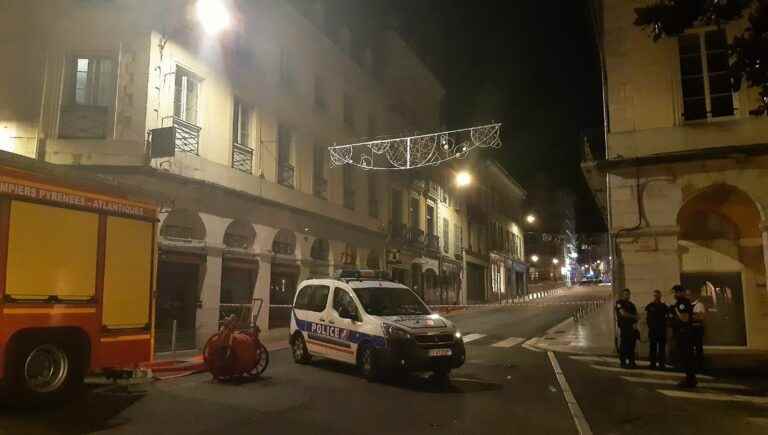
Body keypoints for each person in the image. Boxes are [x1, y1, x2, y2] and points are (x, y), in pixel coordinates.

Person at [670, 285, 696, 388]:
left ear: (680, 292)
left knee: (686, 357)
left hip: (684, 333)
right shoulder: (681, 303)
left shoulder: (682, 303)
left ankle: (690, 380)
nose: (674, 295)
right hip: (682, 333)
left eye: (675, 293)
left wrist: (675, 310)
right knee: (685, 356)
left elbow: (685, 319)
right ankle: (690, 378)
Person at [645, 290, 668, 370]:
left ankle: (661, 364)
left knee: (662, 349)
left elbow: (667, 316)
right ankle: (653, 364)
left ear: (660, 296)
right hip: (653, 330)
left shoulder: (664, 306)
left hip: (661, 330)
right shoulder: (650, 306)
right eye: (655, 295)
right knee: (653, 348)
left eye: (657, 295)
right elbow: (647, 318)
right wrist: (650, 326)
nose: (656, 297)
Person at [615, 288, 638, 368]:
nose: (627, 296)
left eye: (628, 294)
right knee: (624, 345)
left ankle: (631, 362)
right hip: (624, 328)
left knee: (631, 346)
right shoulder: (619, 303)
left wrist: (635, 323)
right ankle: (623, 362)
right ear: (622, 295)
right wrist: (634, 317)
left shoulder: (632, 304)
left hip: (631, 328)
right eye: (625, 294)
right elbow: (623, 313)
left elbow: (636, 316)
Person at [689, 287, 706, 372]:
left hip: (697, 329)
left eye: (689, 294)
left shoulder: (699, 305)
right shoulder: (690, 305)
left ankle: (700, 366)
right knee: (692, 348)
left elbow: (701, 317)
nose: (688, 296)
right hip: (692, 330)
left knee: (698, 348)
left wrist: (690, 317)